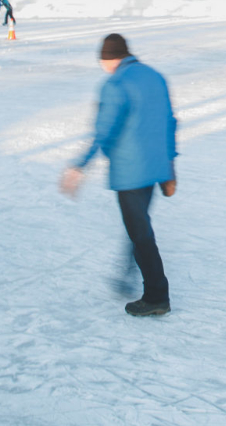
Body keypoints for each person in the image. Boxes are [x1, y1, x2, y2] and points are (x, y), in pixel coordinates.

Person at [60, 34, 179, 317]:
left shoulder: (115, 84)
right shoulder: (155, 76)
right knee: (139, 226)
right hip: (155, 167)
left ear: (107, 59)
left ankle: (156, 296)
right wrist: (170, 163)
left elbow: (103, 132)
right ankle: (128, 272)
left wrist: (79, 166)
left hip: (130, 170)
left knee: (141, 233)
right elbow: (170, 122)